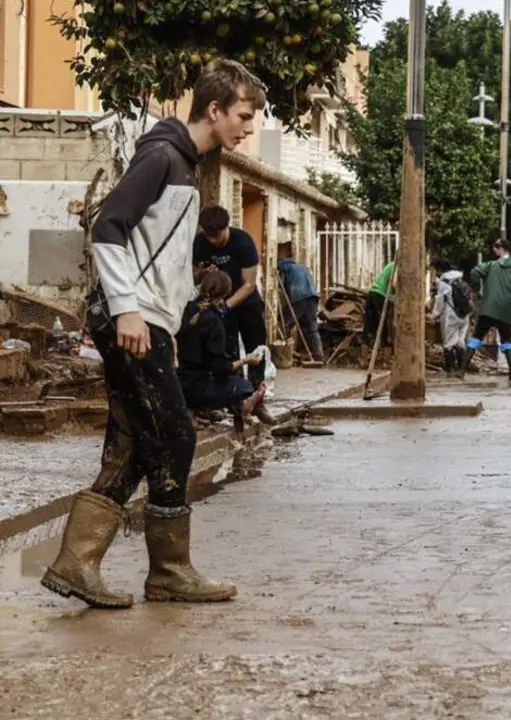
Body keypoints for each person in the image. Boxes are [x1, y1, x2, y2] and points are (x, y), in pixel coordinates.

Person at [41, 58, 264, 609]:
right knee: (175, 435)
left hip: (150, 319)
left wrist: (177, 307)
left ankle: (77, 563)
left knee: (134, 441)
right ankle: (168, 571)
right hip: (131, 321)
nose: (248, 127)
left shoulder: (186, 165)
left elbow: (154, 252)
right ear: (214, 109)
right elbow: (108, 226)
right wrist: (128, 309)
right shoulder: (163, 155)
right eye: (242, 114)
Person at [193, 205, 268, 390]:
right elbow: (193, 277)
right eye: (209, 236)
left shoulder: (243, 242)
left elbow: (249, 284)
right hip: (218, 302)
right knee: (227, 351)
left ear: (226, 227)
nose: (213, 241)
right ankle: (236, 396)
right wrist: (202, 274)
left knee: (256, 348)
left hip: (245, 301)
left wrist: (226, 306)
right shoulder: (200, 243)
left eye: (217, 236)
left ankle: (257, 394)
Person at [177, 270, 267, 422]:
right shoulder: (213, 322)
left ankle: (195, 411)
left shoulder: (185, 310)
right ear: (225, 294)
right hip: (195, 388)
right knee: (243, 387)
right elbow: (221, 368)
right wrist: (246, 360)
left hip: (177, 382)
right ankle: (243, 403)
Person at [462, 240, 511, 381]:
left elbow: (474, 272)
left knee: (476, 338)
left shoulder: (491, 265)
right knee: (507, 341)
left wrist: (478, 291)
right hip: (505, 312)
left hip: (488, 310)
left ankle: (462, 370)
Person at [276, 242, 323, 360]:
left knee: (283, 322)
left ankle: (284, 352)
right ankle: (318, 355)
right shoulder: (302, 266)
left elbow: (280, 285)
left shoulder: (282, 266)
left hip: (299, 298)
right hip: (312, 297)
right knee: (311, 327)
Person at [430, 259, 469, 375]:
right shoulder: (461, 276)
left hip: (451, 314)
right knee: (460, 341)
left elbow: (440, 301)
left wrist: (434, 315)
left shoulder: (444, 281)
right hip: (464, 315)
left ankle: (451, 369)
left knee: (448, 343)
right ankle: (462, 368)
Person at [365, 261, 395, 349]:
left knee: (369, 320)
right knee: (382, 320)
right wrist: (395, 295)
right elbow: (393, 283)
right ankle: (385, 344)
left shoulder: (390, 265)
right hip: (380, 294)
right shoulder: (397, 266)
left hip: (372, 292)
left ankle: (365, 343)